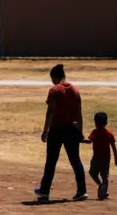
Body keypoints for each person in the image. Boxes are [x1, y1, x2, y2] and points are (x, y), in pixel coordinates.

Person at [34, 64, 88, 201]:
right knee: (76, 160)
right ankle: (82, 191)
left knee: (51, 162)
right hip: (71, 129)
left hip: (56, 130)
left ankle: (45, 191)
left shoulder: (54, 90)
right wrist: (80, 133)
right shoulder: (75, 90)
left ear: (54, 77)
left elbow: (50, 112)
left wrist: (45, 130)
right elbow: (79, 115)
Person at [81, 112, 117, 200]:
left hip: (97, 158)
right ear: (105, 123)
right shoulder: (109, 134)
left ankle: (101, 186)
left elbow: (89, 141)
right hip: (105, 159)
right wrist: (116, 159)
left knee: (93, 173)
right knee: (104, 176)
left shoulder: (95, 132)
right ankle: (103, 190)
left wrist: (82, 140)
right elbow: (114, 148)